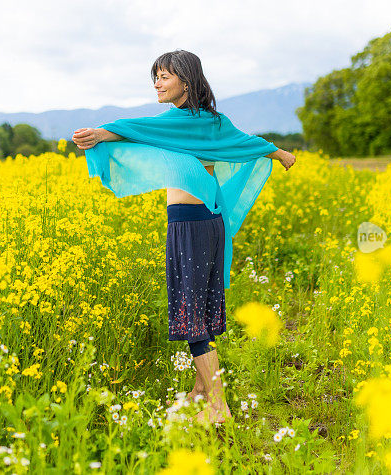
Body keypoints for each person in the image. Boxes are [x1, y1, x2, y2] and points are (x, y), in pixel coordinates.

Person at [73, 50, 296, 425]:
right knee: (203, 309)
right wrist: (280, 153)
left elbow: (132, 128)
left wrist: (98, 133)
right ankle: (199, 391)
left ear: (186, 81)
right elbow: (244, 142)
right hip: (211, 222)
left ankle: (218, 407)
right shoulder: (212, 122)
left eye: (163, 76)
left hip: (189, 224)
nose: (157, 84)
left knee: (191, 314)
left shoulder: (181, 123)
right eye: (155, 77)